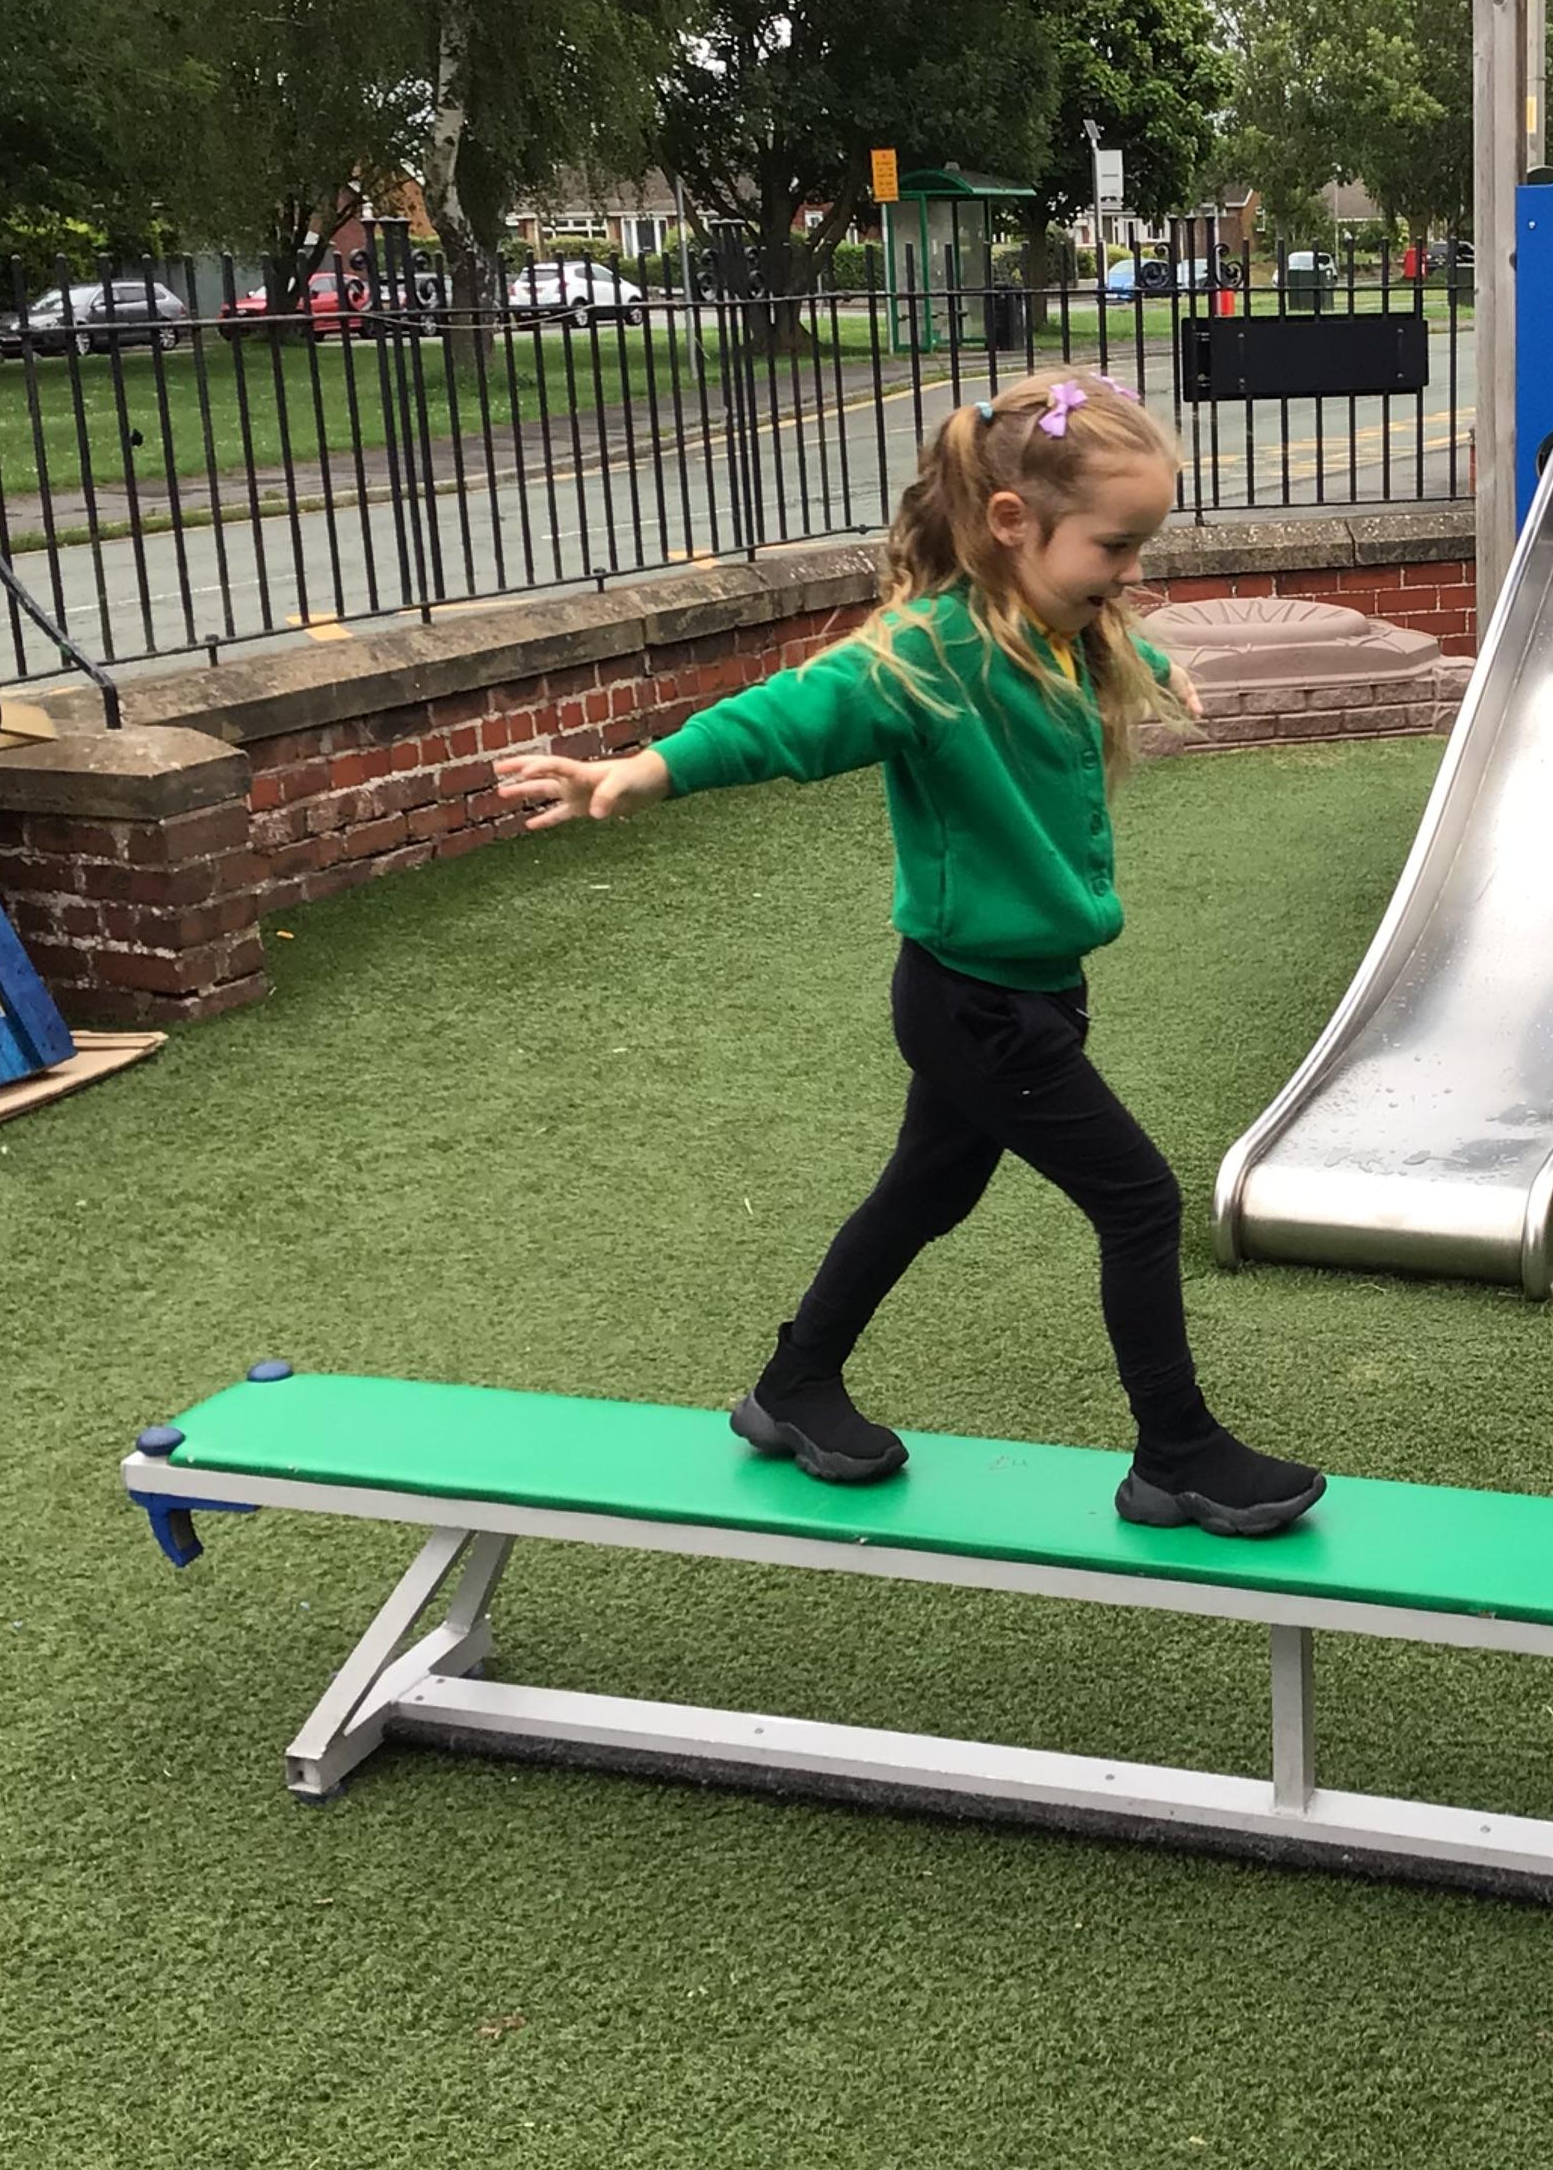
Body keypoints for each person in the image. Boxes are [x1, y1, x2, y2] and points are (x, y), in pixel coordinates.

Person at [491, 370, 1326, 1538]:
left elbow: (1101, 637)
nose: (1132, 570)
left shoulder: (1062, 628)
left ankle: (792, 1385)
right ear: (1011, 522)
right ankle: (1174, 1456)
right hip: (976, 1007)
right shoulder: (931, 653)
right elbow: (792, 713)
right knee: (1139, 1199)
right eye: (1115, 546)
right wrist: (648, 769)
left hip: (1025, 992)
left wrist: (1146, 657)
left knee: (927, 1190)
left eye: (1141, 544)